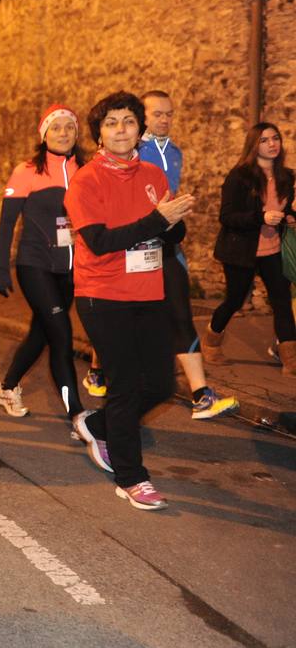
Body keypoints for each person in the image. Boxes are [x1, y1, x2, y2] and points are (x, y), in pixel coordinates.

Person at [65, 91, 192, 511]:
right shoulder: (86, 180)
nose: (121, 129)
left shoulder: (153, 174)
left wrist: (174, 222)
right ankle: (131, 478)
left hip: (149, 291)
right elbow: (100, 241)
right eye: (111, 122)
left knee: (160, 384)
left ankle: (98, 424)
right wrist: (158, 220)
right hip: (102, 294)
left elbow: (169, 235)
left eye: (129, 121)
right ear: (99, 134)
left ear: (140, 130)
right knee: (125, 385)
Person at [134, 90, 238, 418]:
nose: (165, 119)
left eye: (169, 114)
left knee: (181, 314)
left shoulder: (175, 152)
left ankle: (200, 394)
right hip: (134, 247)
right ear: (141, 117)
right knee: (126, 316)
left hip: (168, 246)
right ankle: (100, 370)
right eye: (157, 114)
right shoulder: (131, 152)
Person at [0, 105, 91, 426]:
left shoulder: (86, 171)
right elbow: (7, 223)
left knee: (42, 332)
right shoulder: (27, 171)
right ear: (44, 134)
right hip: (34, 264)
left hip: (71, 270)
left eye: (69, 127)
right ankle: (77, 415)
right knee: (61, 335)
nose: (63, 133)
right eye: (56, 127)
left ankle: (7, 388)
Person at [204, 122, 296, 374]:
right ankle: (211, 341)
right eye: (264, 140)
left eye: (275, 138)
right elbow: (227, 216)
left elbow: (286, 209)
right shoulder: (239, 177)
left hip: (274, 250)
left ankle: (291, 360)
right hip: (241, 251)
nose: (272, 144)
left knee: (281, 301)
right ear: (253, 146)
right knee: (235, 300)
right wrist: (261, 217)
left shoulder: (287, 177)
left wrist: (290, 215)